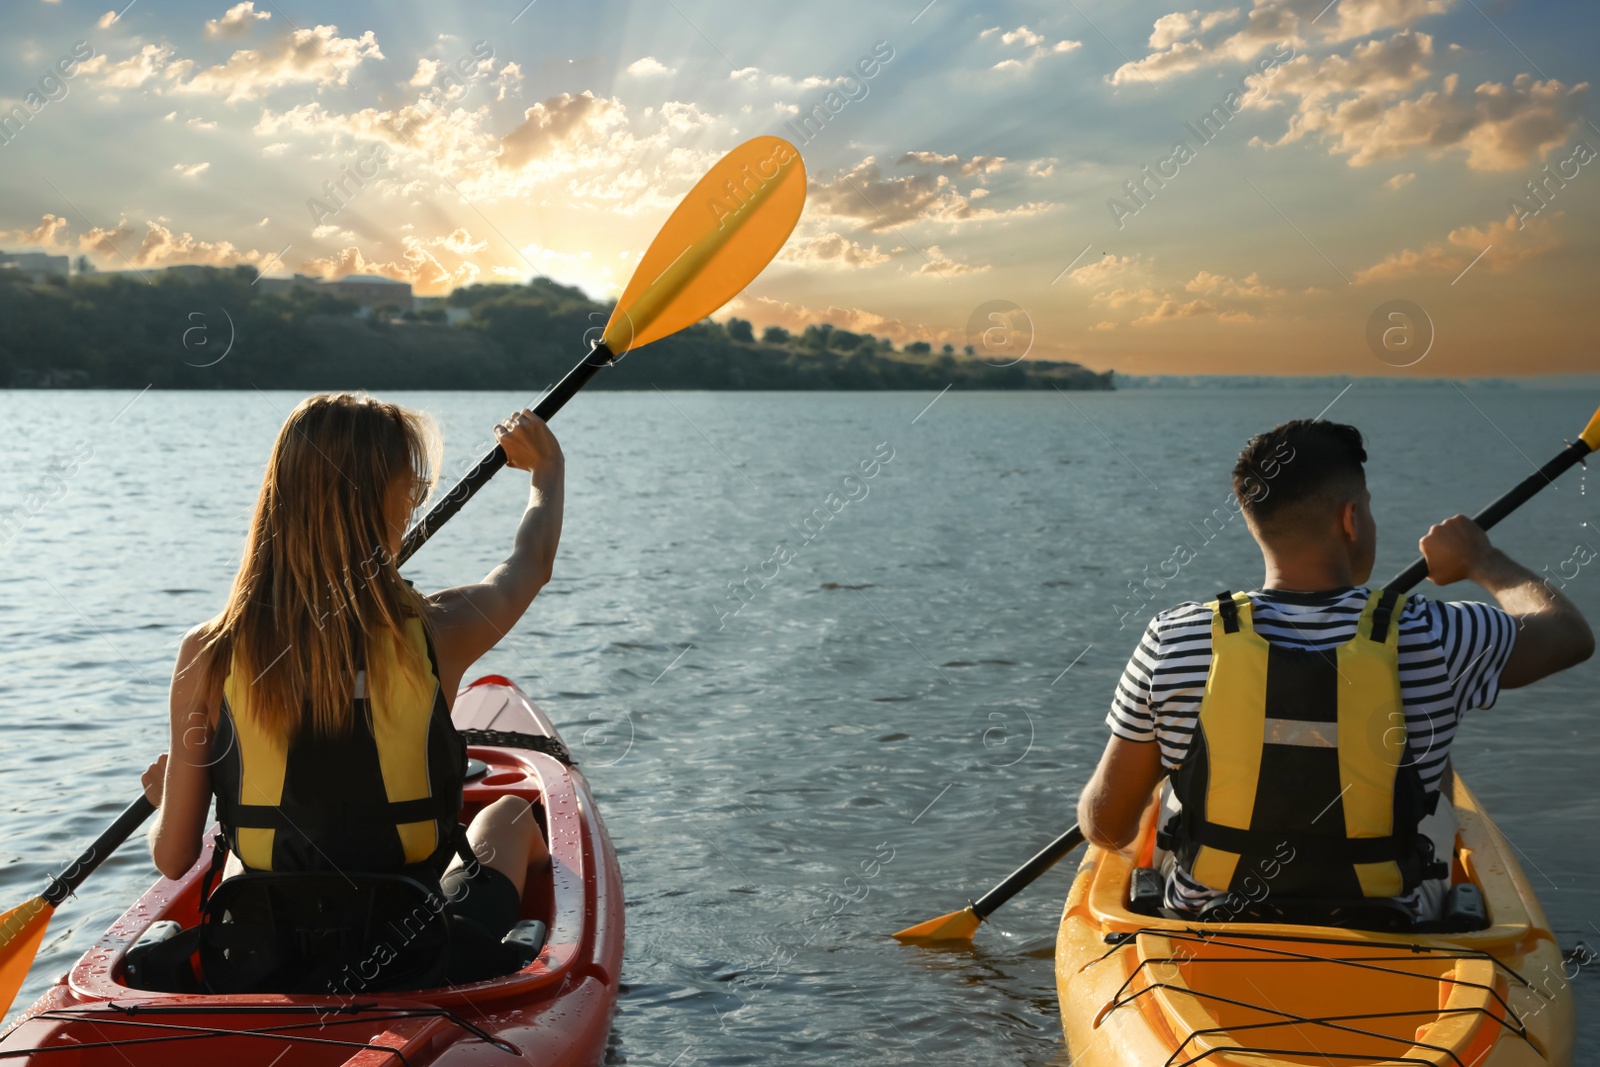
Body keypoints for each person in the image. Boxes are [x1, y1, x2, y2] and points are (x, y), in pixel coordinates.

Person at [1078, 419, 1593, 921]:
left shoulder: (1174, 636)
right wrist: (1483, 559)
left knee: (1173, 787)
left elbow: (1108, 827)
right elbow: (1568, 635)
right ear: (1351, 519)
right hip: (1387, 922)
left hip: (1212, 922)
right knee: (1435, 776)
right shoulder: (1439, 634)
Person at [139, 392, 565, 985]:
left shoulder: (208, 653)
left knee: (241, 855)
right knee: (511, 816)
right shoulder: (442, 631)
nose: (418, 502)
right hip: (412, 951)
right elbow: (530, 563)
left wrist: (168, 806)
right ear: (380, 504)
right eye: (412, 489)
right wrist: (547, 472)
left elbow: (174, 856)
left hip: (262, 957)